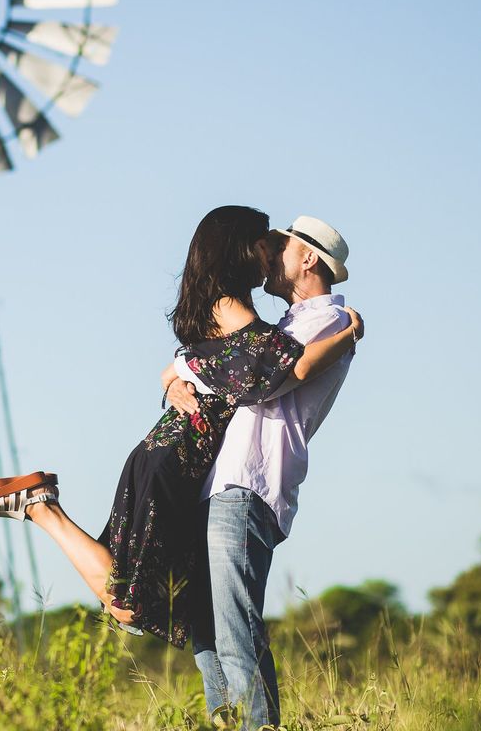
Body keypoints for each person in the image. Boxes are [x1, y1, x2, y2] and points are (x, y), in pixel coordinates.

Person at [0, 207, 363, 649]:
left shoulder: (261, 315)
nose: (268, 255)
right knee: (133, 599)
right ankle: (42, 508)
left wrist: (179, 370)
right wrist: (351, 334)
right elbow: (276, 371)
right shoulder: (238, 310)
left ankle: (41, 507)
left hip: (179, 452)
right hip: (181, 454)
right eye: (263, 245)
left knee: (141, 594)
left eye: (276, 247)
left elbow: (230, 364)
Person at [166, 215, 356, 728]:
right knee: (205, 627)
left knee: (234, 627)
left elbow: (264, 381)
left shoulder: (328, 322)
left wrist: (192, 369)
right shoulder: (288, 328)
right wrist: (175, 378)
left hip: (251, 485)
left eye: (281, 248)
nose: (269, 257)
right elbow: (225, 362)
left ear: (309, 259)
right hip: (224, 485)